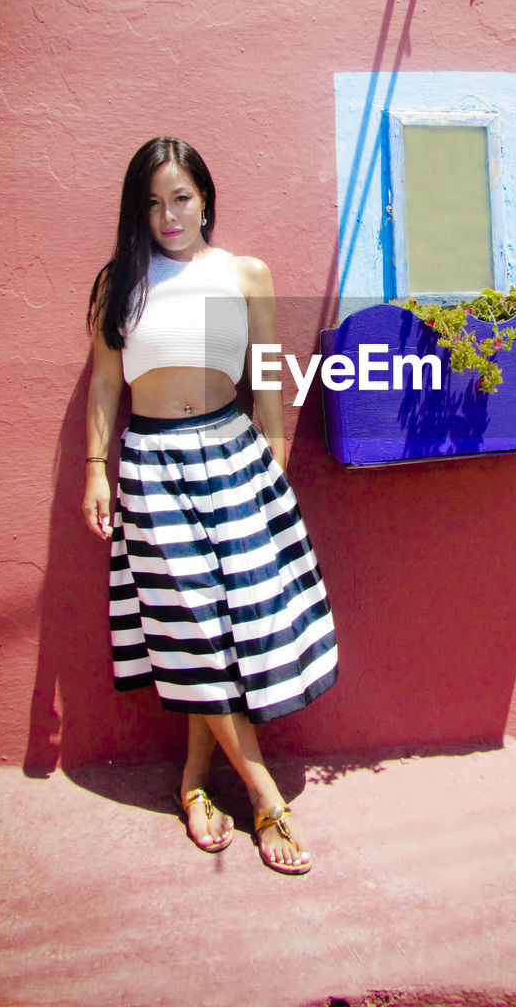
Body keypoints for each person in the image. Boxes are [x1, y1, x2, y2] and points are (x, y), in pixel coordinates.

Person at [83, 136, 338, 875]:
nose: (169, 214)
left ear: (205, 198)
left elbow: (266, 375)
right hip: (154, 463)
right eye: (154, 202)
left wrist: (276, 462)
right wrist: (95, 469)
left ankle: (194, 782)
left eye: (181, 197)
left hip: (234, 456)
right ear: (140, 211)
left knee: (225, 630)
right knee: (191, 621)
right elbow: (106, 385)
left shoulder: (244, 274)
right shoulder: (119, 283)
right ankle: (265, 797)